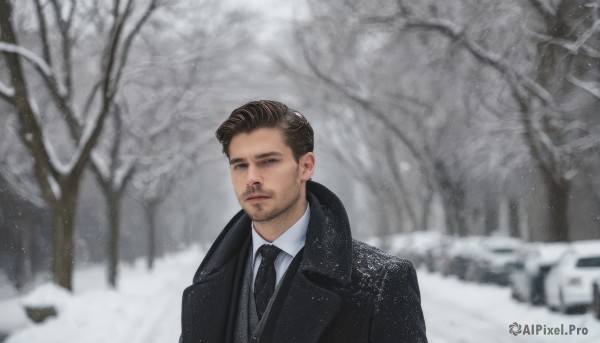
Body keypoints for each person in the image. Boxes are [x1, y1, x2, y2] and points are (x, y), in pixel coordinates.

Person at [180, 100, 427, 343]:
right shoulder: (208, 282)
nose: (252, 178)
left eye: (268, 161)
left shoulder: (381, 281)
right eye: (240, 165)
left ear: (306, 166)